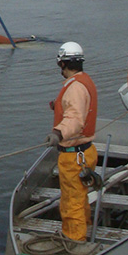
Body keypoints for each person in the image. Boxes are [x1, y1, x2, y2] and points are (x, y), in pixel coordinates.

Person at [44, 41, 98, 242]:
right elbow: (78, 110)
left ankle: (75, 239)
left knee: (71, 200)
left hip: (74, 156)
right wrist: (57, 106)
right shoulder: (84, 81)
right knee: (80, 196)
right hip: (85, 152)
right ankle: (85, 225)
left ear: (62, 64)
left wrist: (58, 133)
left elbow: (75, 119)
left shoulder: (74, 88)